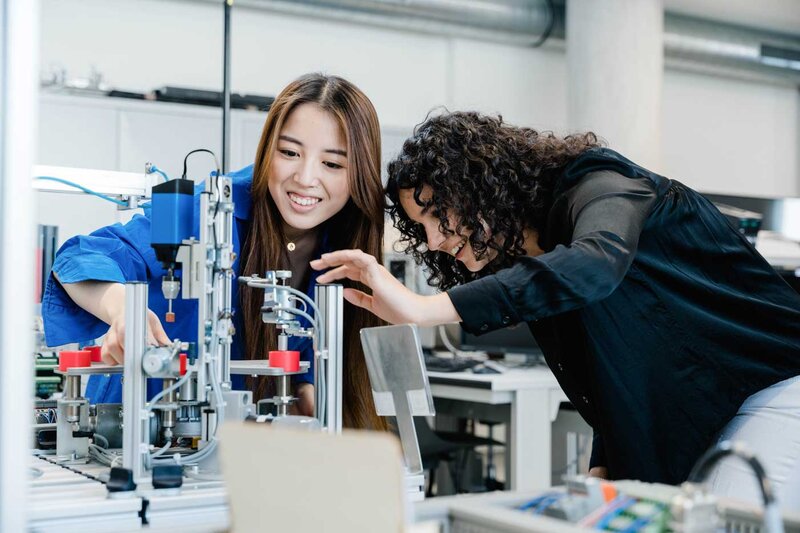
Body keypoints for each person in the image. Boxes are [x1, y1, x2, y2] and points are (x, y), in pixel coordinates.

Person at [312, 110, 800, 506]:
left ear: (479, 184)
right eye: (424, 229)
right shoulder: (542, 264)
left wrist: (422, 309)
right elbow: (618, 373)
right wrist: (602, 467)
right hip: (716, 410)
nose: (436, 241)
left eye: (440, 215)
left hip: (776, 386)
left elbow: (596, 265)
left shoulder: (601, 185)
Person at [43, 73, 387, 430]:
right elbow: (78, 259)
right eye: (289, 152)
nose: (305, 177)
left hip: (239, 446)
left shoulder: (344, 248)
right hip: (135, 434)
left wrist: (314, 407)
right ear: (268, 148)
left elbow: (305, 370)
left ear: (358, 174)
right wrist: (122, 309)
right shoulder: (206, 212)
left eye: (331, 164)